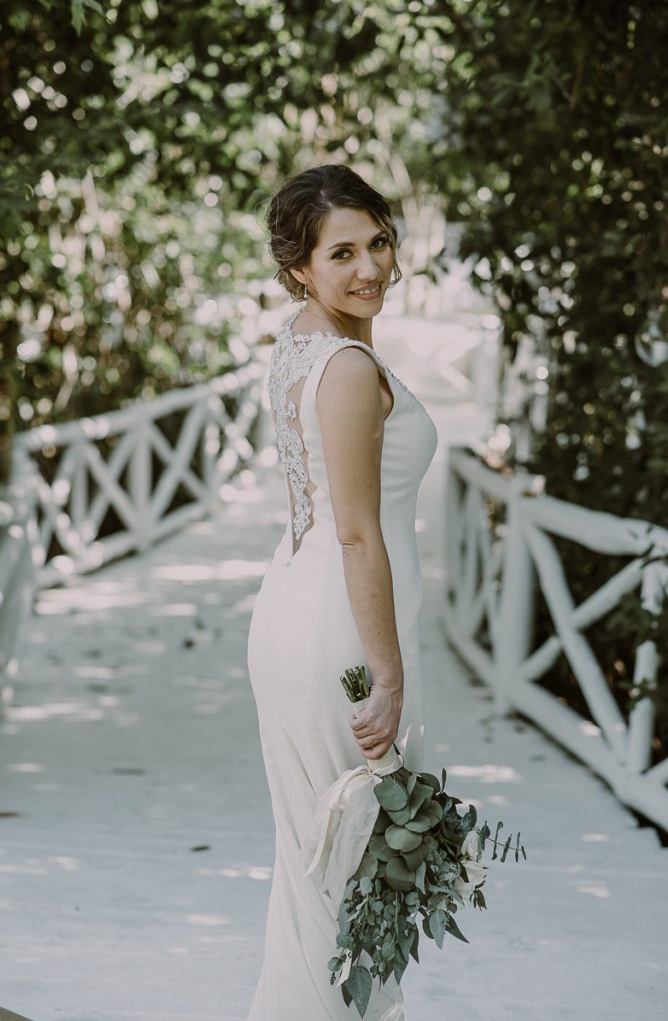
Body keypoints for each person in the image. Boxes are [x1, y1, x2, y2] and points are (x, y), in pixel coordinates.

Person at [246, 163, 438, 1020]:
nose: (371, 268)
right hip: (345, 636)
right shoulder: (350, 367)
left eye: (380, 242)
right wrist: (389, 677)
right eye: (343, 253)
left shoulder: (299, 340)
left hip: (293, 606)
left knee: (316, 870)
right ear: (301, 269)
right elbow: (359, 533)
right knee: (356, 874)